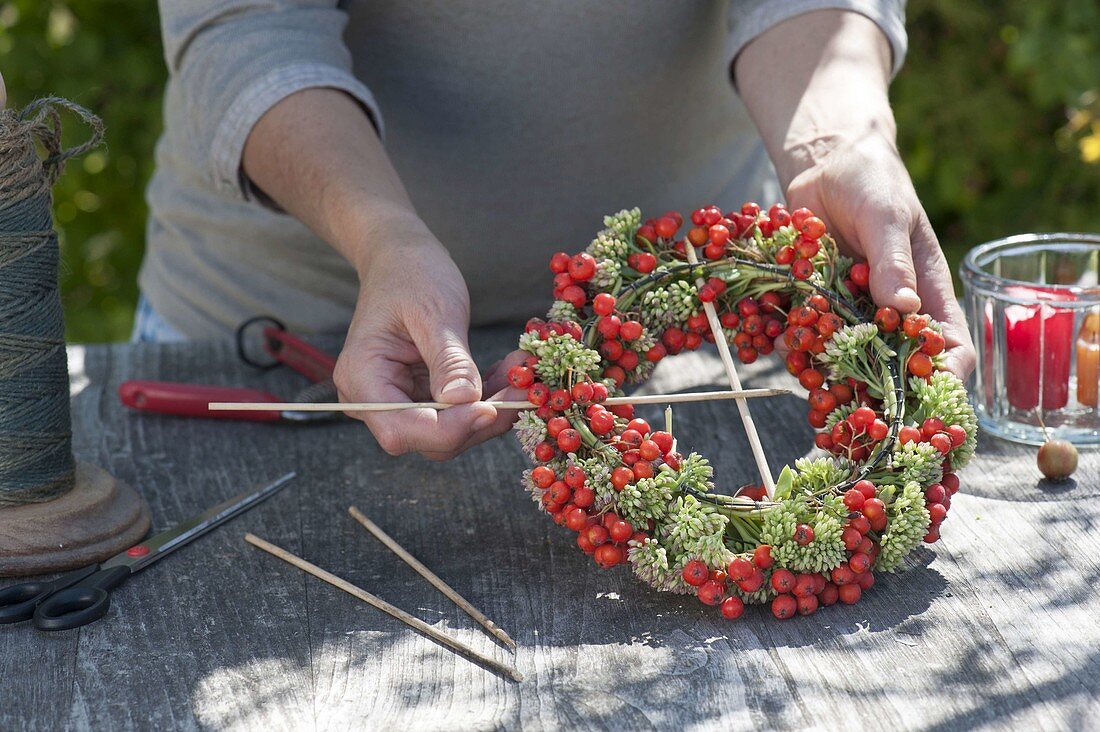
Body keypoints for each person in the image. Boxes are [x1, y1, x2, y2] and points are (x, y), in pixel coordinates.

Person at [139, 1, 975, 460]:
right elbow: (245, 27)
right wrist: (381, 234)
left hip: (702, 335)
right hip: (290, 331)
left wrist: (833, 149)